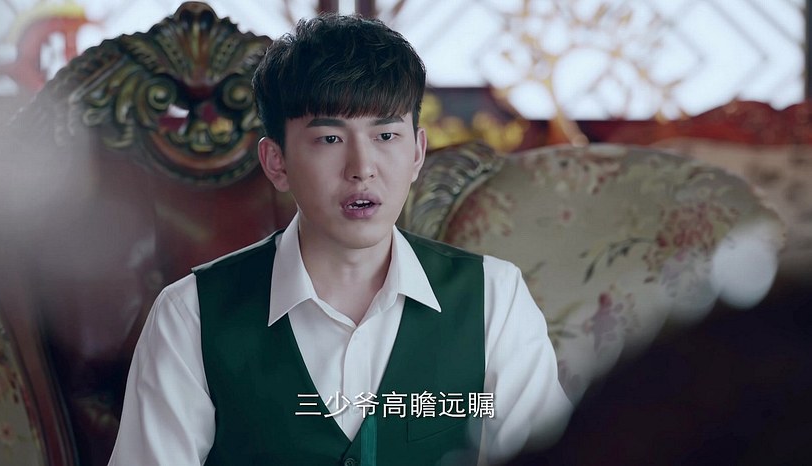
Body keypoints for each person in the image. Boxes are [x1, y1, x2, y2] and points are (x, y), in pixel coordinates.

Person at [108, 13, 571, 466]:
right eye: (330, 139)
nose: (362, 168)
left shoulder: (492, 297)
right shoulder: (191, 314)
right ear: (276, 162)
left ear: (417, 153)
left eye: (386, 135)